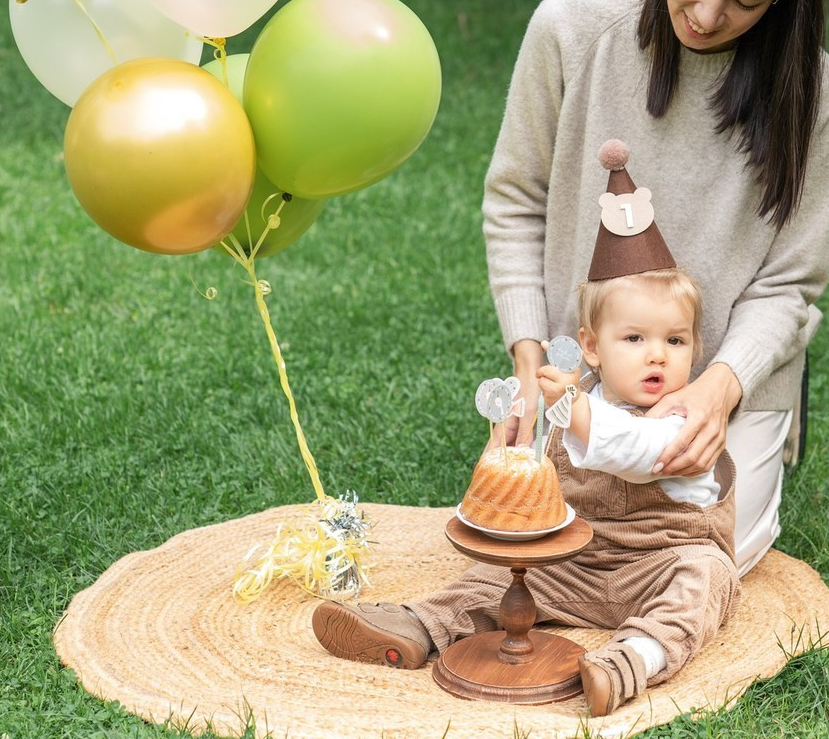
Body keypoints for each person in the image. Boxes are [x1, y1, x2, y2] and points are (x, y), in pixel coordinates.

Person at [486, 0, 829, 575]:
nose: (709, 17)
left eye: (746, 2)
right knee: (530, 543)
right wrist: (531, 363)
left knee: (709, 557)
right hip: (586, 374)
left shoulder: (817, 92)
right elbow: (516, 203)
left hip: (725, 377)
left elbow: (790, 282)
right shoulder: (570, 27)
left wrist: (720, 389)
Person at [311, 151, 740, 717]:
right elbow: (544, 475)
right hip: (574, 562)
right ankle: (421, 625)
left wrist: (572, 406)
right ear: (592, 348)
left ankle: (631, 660)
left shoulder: (684, 418)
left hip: (660, 563)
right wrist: (513, 457)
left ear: (695, 348)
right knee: (497, 576)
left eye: (676, 341)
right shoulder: (580, 402)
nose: (657, 355)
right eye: (635, 339)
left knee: (705, 583)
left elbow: (639, 453)